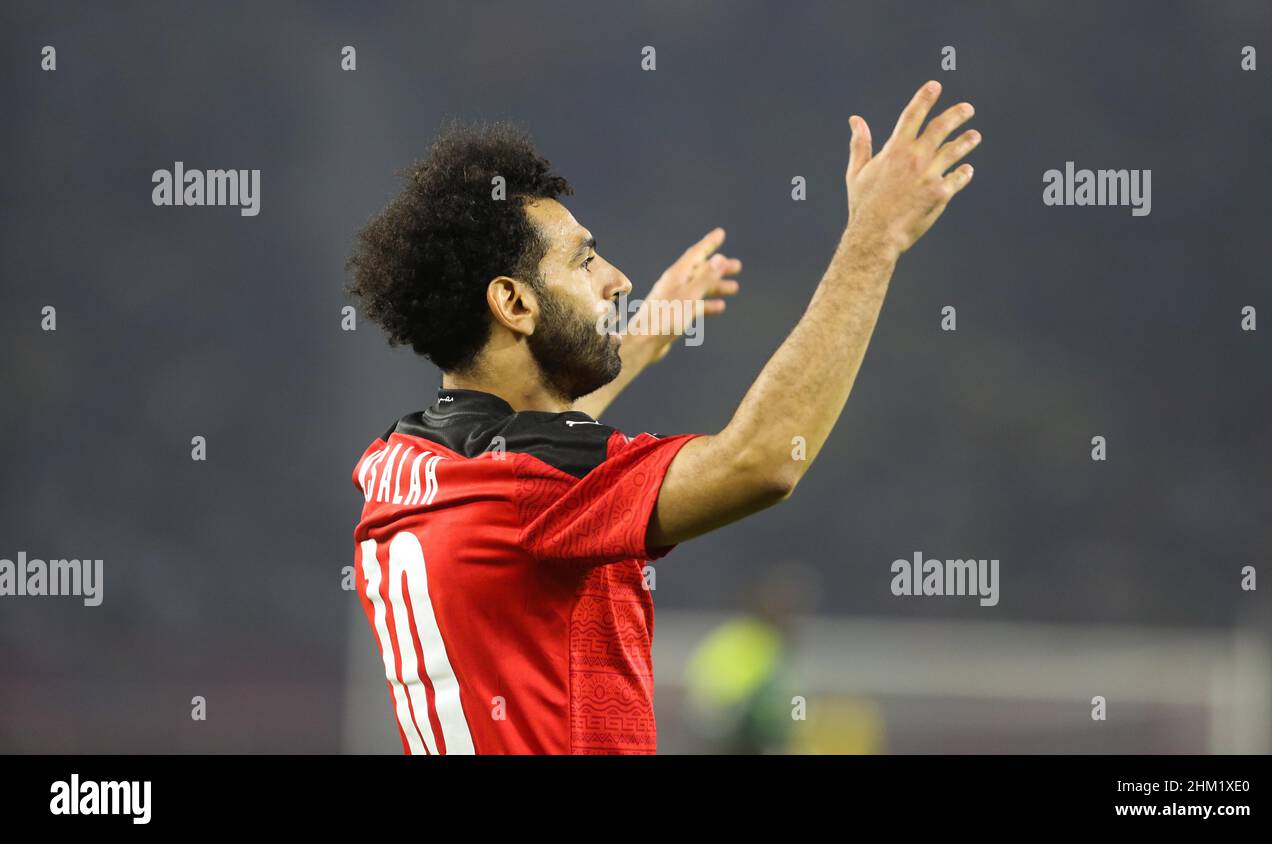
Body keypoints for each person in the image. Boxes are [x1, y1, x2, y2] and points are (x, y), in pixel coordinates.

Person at [345, 81, 980, 753]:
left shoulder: (402, 463)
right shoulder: (530, 486)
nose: (617, 279)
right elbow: (762, 461)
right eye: (585, 260)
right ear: (513, 303)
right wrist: (874, 239)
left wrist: (641, 339)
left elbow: (524, 473)